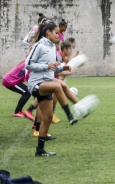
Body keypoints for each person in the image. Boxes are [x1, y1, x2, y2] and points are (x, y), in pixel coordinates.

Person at [25, 19, 78, 156]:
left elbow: (54, 66)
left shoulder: (51, 47)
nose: (57, 35)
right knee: (57, 86)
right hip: (36, 83)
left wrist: (64, 66)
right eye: (55, 33)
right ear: (48, 33)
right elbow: (28, 64)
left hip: (46, 82)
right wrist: (46, 66)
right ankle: (70, 115)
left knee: (47, 119)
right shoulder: (39, 46)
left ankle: (40, 150)